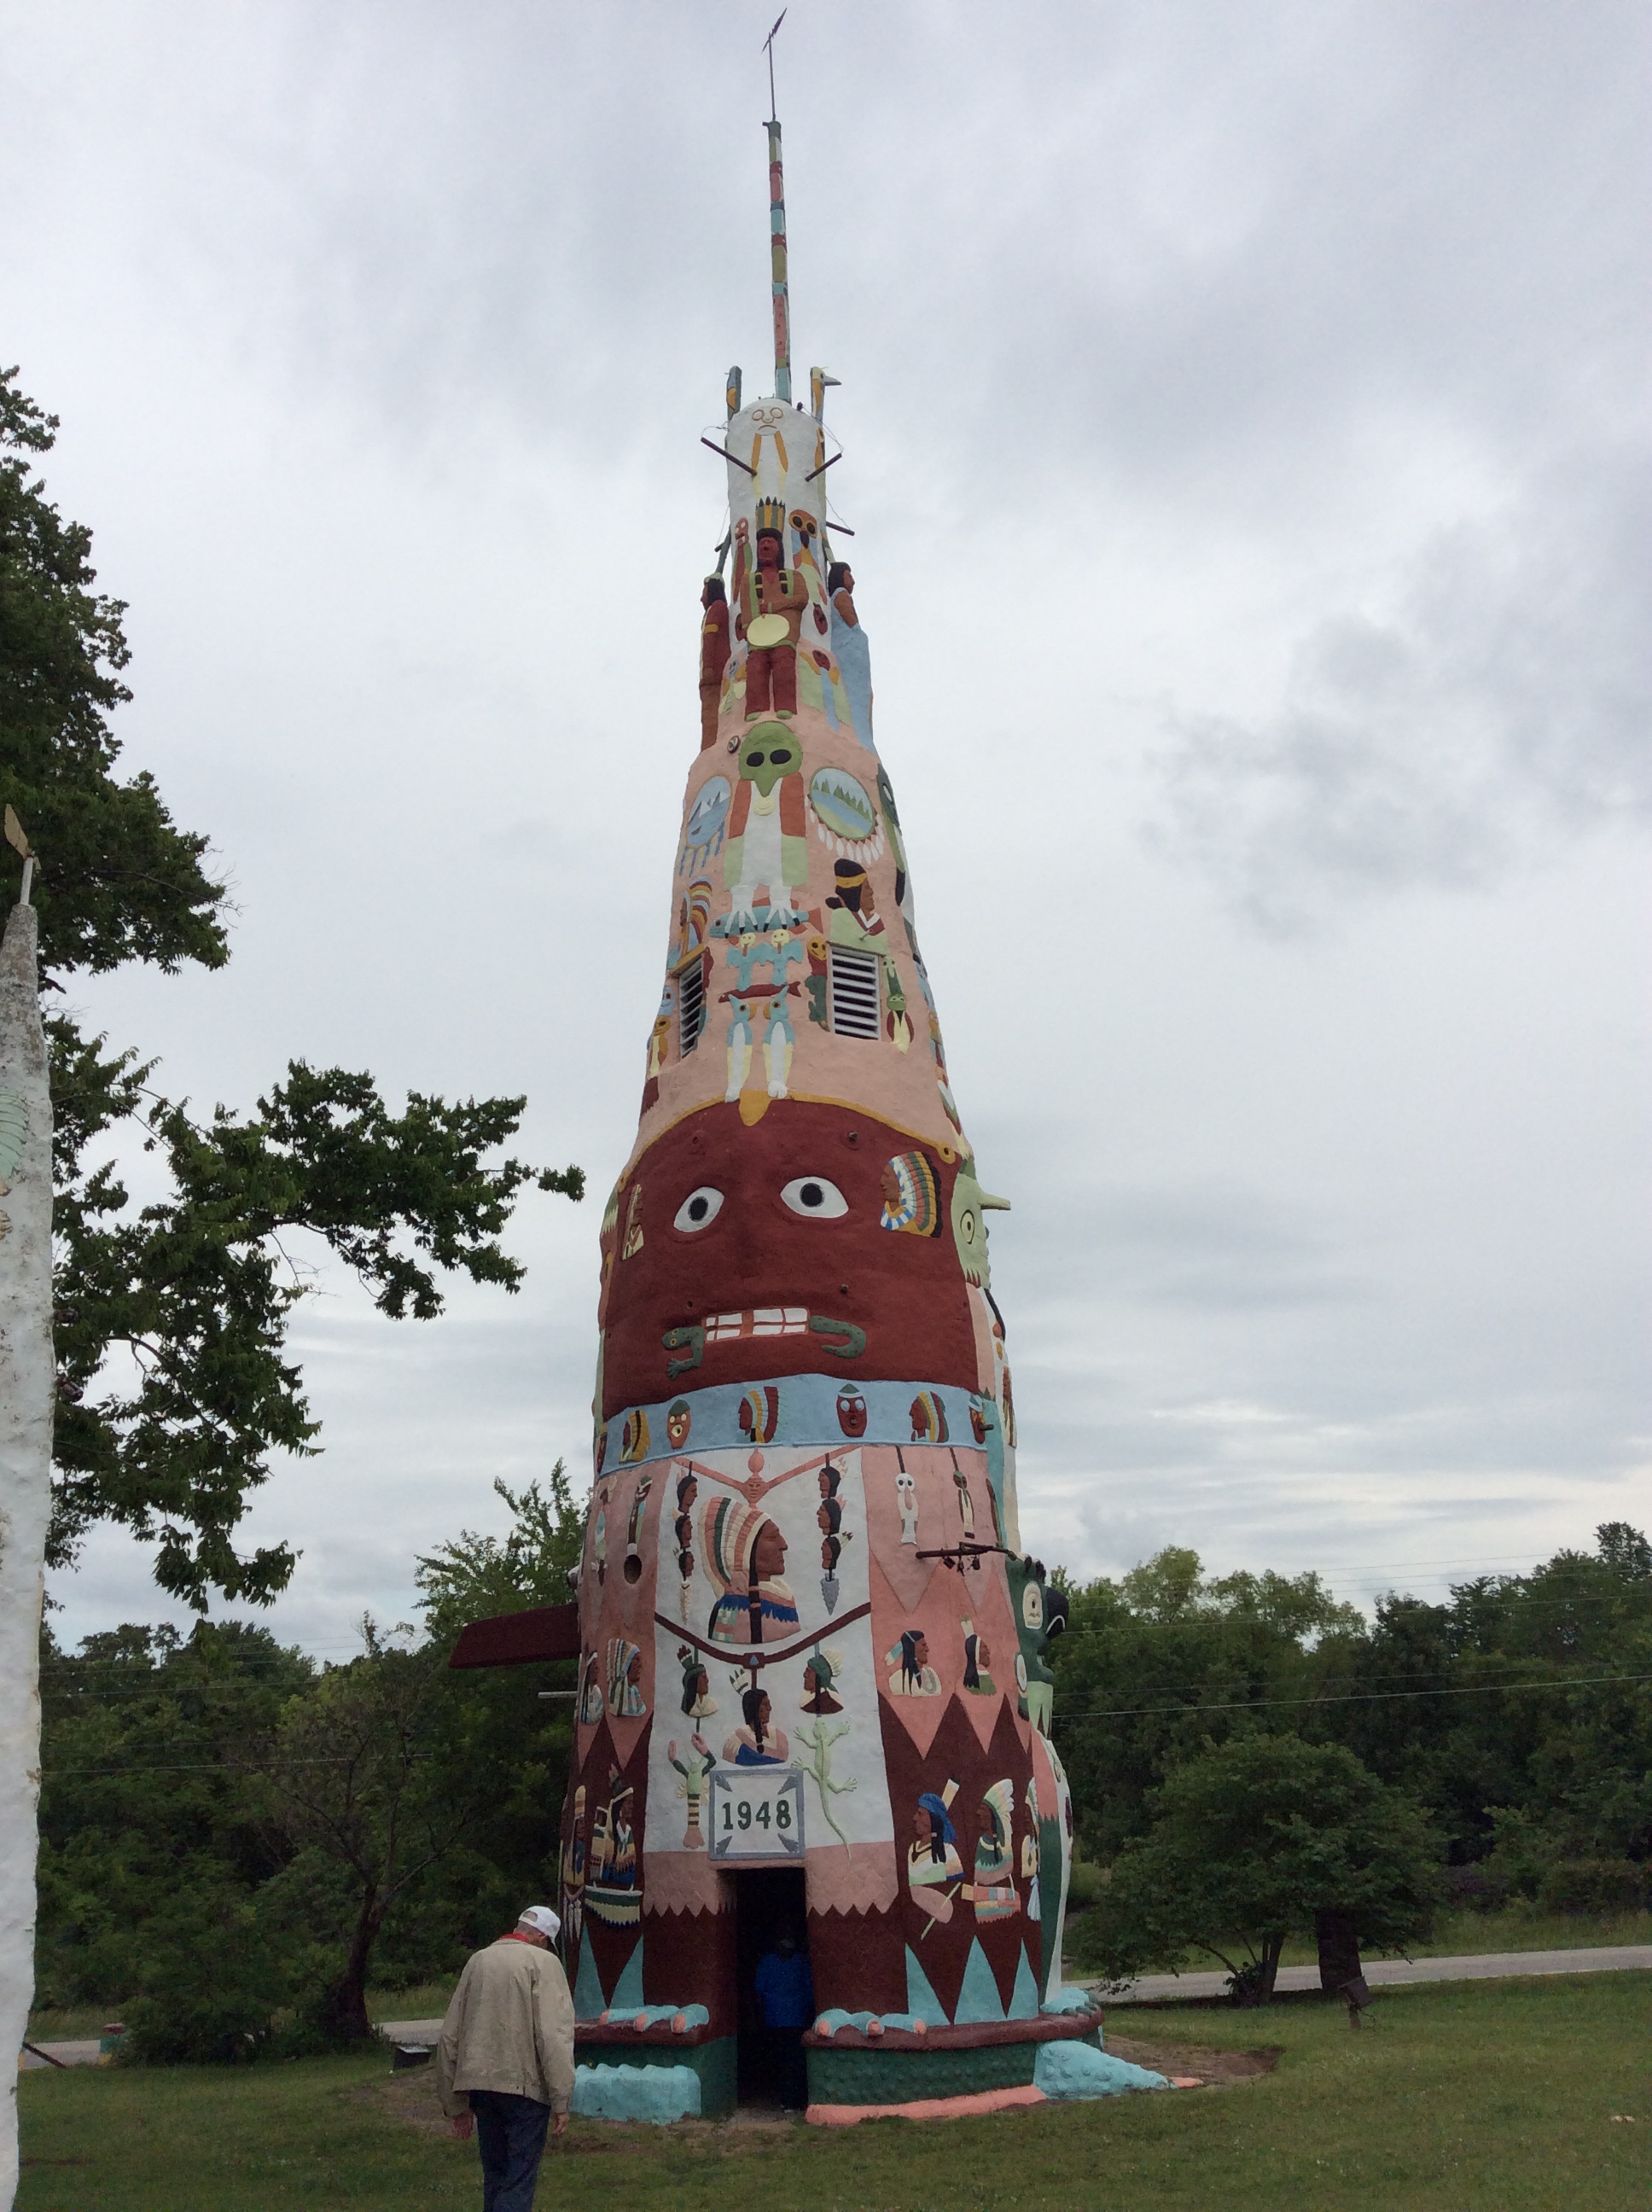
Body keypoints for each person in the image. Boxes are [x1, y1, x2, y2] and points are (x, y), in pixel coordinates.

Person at [437, 1905, 575, 2211]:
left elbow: (450, 2036)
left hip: (481, 2088)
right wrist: (561, 2098)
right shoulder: (544, 1963)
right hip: (525, 2089)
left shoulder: (478, 1960)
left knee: (496, 2177)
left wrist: (455, 2103)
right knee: (518, 2181)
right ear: (542, 1938)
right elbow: (553, 2036)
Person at [753, 1930, 815, 2110]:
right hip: (784, 2020)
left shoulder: (796, 1962)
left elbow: (758, 1992)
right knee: (789, 2060)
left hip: (787, 2020)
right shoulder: (792, 1962)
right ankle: (790, 2100)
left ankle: (789, 2100)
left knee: (788, 2060)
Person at [699, 576, 730, 748]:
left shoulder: (717, 608)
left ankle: (711, 745)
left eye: (704, 592)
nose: (701, 598)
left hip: (714, 674)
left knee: (712, 711)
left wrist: (709, 667)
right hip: (713, 673)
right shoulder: (715, 609)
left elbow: (710, 638)